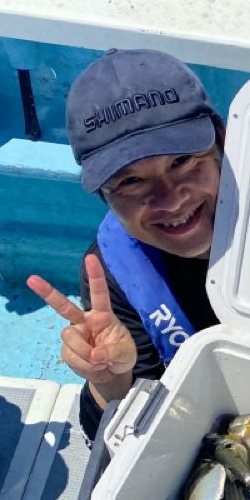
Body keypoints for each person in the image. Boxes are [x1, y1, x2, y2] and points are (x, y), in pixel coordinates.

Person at [27, 49, 224, 440]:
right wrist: (109, 382)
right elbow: (113, 436)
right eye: (131, 182)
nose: (171, 200)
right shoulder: (112, 273)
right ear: (104, 196)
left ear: (222, 142)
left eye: (183, 161)